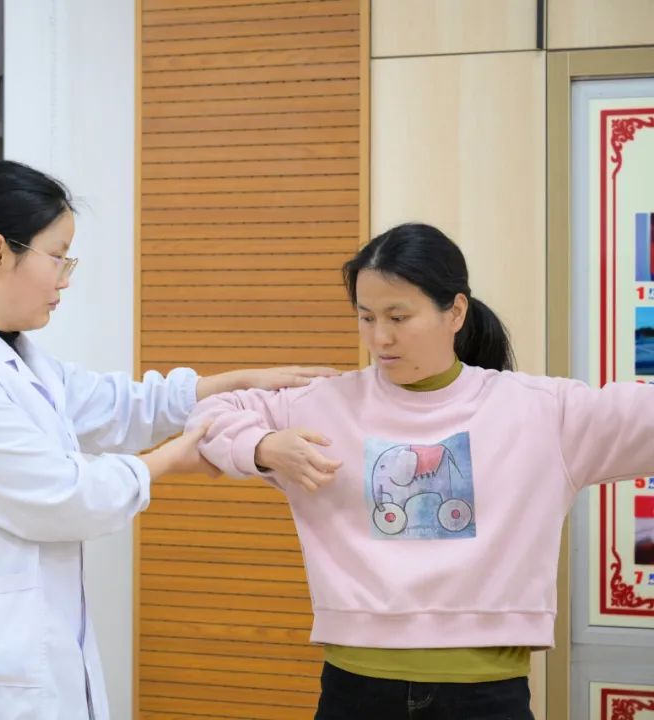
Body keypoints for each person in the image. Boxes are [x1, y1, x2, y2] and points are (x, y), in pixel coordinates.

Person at [0, 154, 332, 719]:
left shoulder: (15, 356)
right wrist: (167, 462)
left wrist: (225, 384)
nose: (66, 278)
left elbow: (112, 405)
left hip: (0, 656)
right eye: (57, 257)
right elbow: (59, 498)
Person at [188, 222, 654, 720]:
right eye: (366, 317)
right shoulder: (322, 404)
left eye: (398, 316)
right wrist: (263, 446)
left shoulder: (540, 411)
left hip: (485, 694)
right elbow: (206, 416)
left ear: (455, 312)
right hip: (354, 688)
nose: (380, 337)